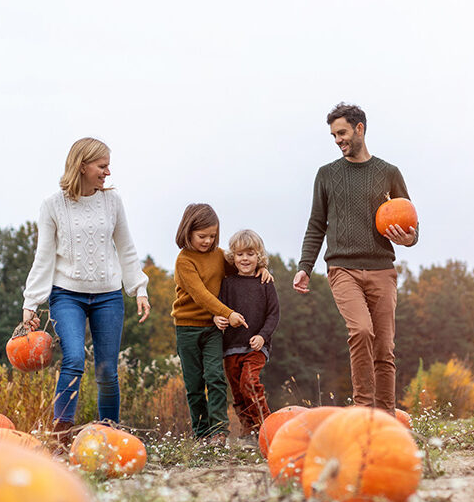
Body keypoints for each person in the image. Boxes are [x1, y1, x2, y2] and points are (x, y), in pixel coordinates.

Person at [21, 137, 151, 444]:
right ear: (83, 166)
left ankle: (109, 437)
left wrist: (139, 288)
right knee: (74, 359)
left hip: (108, 295)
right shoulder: (53, 205)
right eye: (102, 166)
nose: (107, 172)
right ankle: (61, 436)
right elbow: (44, 256)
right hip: (66, 294)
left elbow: (126, 247)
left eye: (108, 166)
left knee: (107, 370)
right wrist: (32, 301)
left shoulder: (113, 202)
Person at [293, 103, 418, 415]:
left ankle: (386, 418)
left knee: (385, 348)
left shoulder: (388, 173)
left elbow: (411, 223)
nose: (338, 139)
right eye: (334, 135)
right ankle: (363, 411)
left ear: (360, 129)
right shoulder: (326, 175)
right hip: (342, 268)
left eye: (342, 132)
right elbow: (315, 225)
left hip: (382, 269)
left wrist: (410, 239)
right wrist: (304, 267)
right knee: (361, 331)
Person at [172, 204, 270, 444]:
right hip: (188, 327)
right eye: (202, 236)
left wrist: (263, 269)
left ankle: (219, 432)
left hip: (215, 328)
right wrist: (228, 312)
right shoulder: (184, 261)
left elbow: (243, 266)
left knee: (215, 377)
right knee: (194, 384)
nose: (207, 241)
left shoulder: (218, 256)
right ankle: (201, 433)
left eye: (212, 236)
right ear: (188, 232)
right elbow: (200, 294)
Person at [214, 229, 279, 440]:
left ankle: (267, 426)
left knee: (249, 383)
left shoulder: (265, 282)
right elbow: (220, 308)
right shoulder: (227, 283)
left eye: (250, 254)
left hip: (256, 347)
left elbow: (273, 314)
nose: (245, 259)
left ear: (258, 256)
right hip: (231, 347)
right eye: (240, 254)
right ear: (233, 256)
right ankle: (248, 431)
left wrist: (263, 336)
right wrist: (218, 318)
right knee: (238, 392)